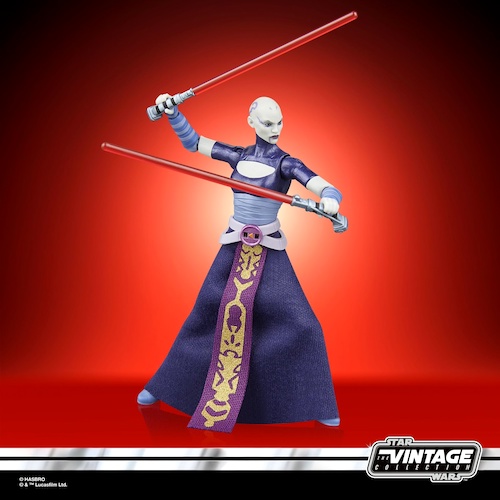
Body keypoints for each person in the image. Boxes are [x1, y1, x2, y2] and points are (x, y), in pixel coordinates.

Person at [137, 94, 343, 432]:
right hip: (233, 247)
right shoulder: (237, 155)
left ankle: (316, 400)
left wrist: (330, 200)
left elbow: (324, 186)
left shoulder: (286, 164)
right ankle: (165, 386)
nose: (275, 129)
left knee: (303, 322)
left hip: (270, 251)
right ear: (251, 123)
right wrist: (173, 113)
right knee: (206, 314)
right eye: (267, 123)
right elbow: (194, 143)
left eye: (279, 122)